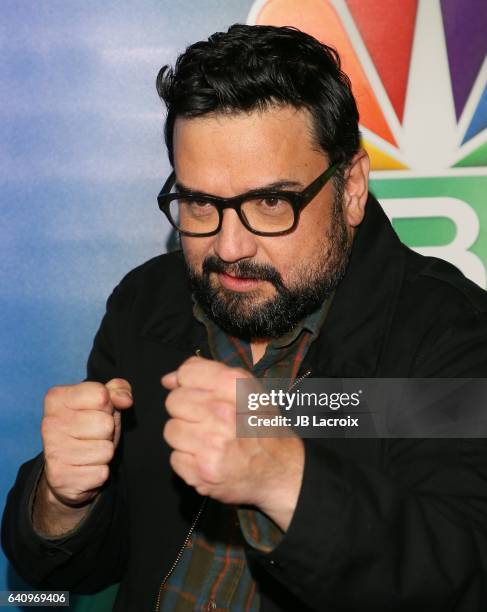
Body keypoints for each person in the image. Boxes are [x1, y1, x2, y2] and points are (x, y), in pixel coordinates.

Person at [2, 23, 487, 612]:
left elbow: (462, 573)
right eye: (201, 203)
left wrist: (286, 480)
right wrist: (61, 501)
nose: (229, 248)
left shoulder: (448, 331)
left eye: (270, 202)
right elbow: (80, 566)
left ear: (352, 187)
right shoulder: (146, 303)